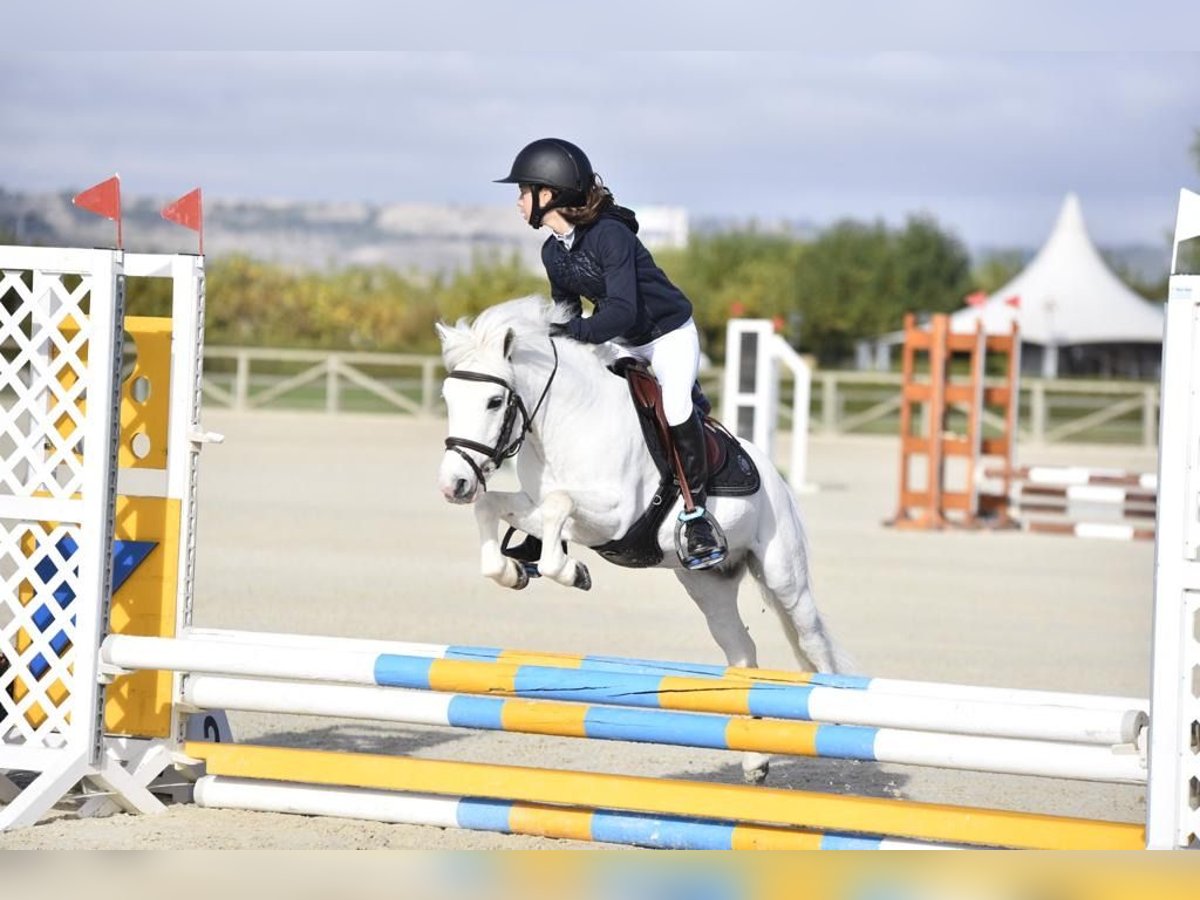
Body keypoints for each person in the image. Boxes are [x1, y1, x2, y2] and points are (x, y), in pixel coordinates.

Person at [495, 137, 727, 570]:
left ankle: (697, 516)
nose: (519, 202)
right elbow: (566, 310)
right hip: (621, 339)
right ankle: (551, 521)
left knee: (675, 408)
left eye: (523, 192)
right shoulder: (553, 253)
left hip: (667, 335)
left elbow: (621, 310)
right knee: (573, 400)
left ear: (549, 195)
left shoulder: (611, 237)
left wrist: (573, 330)